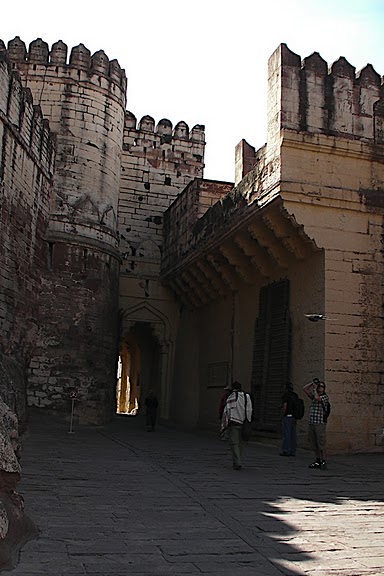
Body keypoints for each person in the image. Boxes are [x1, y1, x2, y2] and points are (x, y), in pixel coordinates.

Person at [221, 381, 252, 470]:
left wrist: (225, 423)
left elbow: (227, 410)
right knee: (241, 443)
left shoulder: (231, 397)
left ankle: (237, 462)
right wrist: (248, 420)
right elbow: (250, 409)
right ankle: (238, 460)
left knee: (234, 443)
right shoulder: (247, 397)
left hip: (234, 423)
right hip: (244, 422)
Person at [303, 378, 330, 469]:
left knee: (321, 443)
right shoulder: (314, 395)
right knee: (315, 444)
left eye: (322, 386)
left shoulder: (325, 397)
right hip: (312, 422)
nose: (320, 388)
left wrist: (315, 389)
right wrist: (312, 383)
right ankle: (317, 460)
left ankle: (323, 461)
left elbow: (317, 398)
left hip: (320, 423)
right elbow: (304, 389)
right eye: (319, 386)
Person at [280, 382, 297, 457]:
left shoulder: (286, 396)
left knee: (286, 433)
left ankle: (286, 450)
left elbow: (285, 406)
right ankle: (292, 450)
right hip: (294, 416)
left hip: (287, 416)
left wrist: (282, 414)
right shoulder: (295, 395)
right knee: (293, 434)